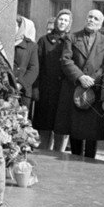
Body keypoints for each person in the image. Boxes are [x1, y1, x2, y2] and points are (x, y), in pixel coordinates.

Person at [54, 9, 104, 158]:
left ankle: (89, 161)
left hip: (94, 90)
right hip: (75, 89)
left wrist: (92, 78)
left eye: (95, 19)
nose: (91, 20)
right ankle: (74, 157)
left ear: (100, 24)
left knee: (91, 132)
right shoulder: (72, 38)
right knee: (75, 129)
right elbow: (66, 60)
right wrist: (80, 77)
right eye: (90, 17)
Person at [33, 9, 72, 151]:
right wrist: (36, 87)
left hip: (63, 91)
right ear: (56, 21)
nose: (63, 22)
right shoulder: (44, 40)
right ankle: (43, 153)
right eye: (61, 19)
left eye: (66, 20)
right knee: (45, 125)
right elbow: (37, 65)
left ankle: (59, 155)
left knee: (61, 127)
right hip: (46, 90)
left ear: (69, 24)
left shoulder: (70, 41)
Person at [13, 15, 39, 113]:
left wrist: (20, 84)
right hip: (5, 88)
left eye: (15, 25)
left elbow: (33, 69)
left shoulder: (31, 46)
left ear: (20, 28)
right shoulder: (2, 42)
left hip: (22, 91)